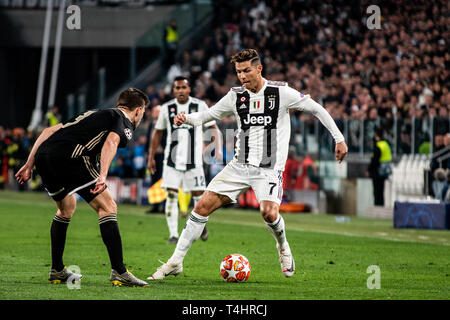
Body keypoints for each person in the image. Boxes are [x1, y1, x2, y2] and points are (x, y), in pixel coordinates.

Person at [147, 49, 348, 280]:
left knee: (268, 213)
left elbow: (315, 108)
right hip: (239, 166)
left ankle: (283, 246)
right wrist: (187, 119)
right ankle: (175, 262)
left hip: (269, 169)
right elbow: (209, 115)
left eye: (246, 70)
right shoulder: (235, 96)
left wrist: (339, 138)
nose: (242, 76)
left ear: (259, 68)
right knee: (201, 207)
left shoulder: (280, 92)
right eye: (238, 72)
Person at [15, 88, 150, 287]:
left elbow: (49, 131)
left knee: (66, 208)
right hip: (72, 157)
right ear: (138, 110)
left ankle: (57, 270)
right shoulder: (123, 121)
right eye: (143, 112)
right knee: (108, 207)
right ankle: (119, 271)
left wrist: (29, 163)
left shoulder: (93, 113)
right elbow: (112, 141)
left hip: (44, 157)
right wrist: (103, 175)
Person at [147, 76, 222, 244]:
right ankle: (174, 235)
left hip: (194, 161)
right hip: (171, 162)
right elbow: (158, 132)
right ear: (174, 90)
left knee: (199, 197)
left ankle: (201, 227)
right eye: (177, 88)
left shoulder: (200, 106)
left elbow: (213, 126)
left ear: (189, 89)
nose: (180, 91)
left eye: (183, 88)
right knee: (171, 196)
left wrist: (216, 147)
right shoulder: (167, 108)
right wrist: (151, 156)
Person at [367, 127, 392, 206]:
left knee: (377, 191)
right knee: (381, 190)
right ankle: (381, 205)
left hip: (378, 171)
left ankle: (377, 206)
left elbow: (375, 160)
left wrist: (369, 170)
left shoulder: (378, 146)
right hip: (385, 171)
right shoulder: (386, 144)